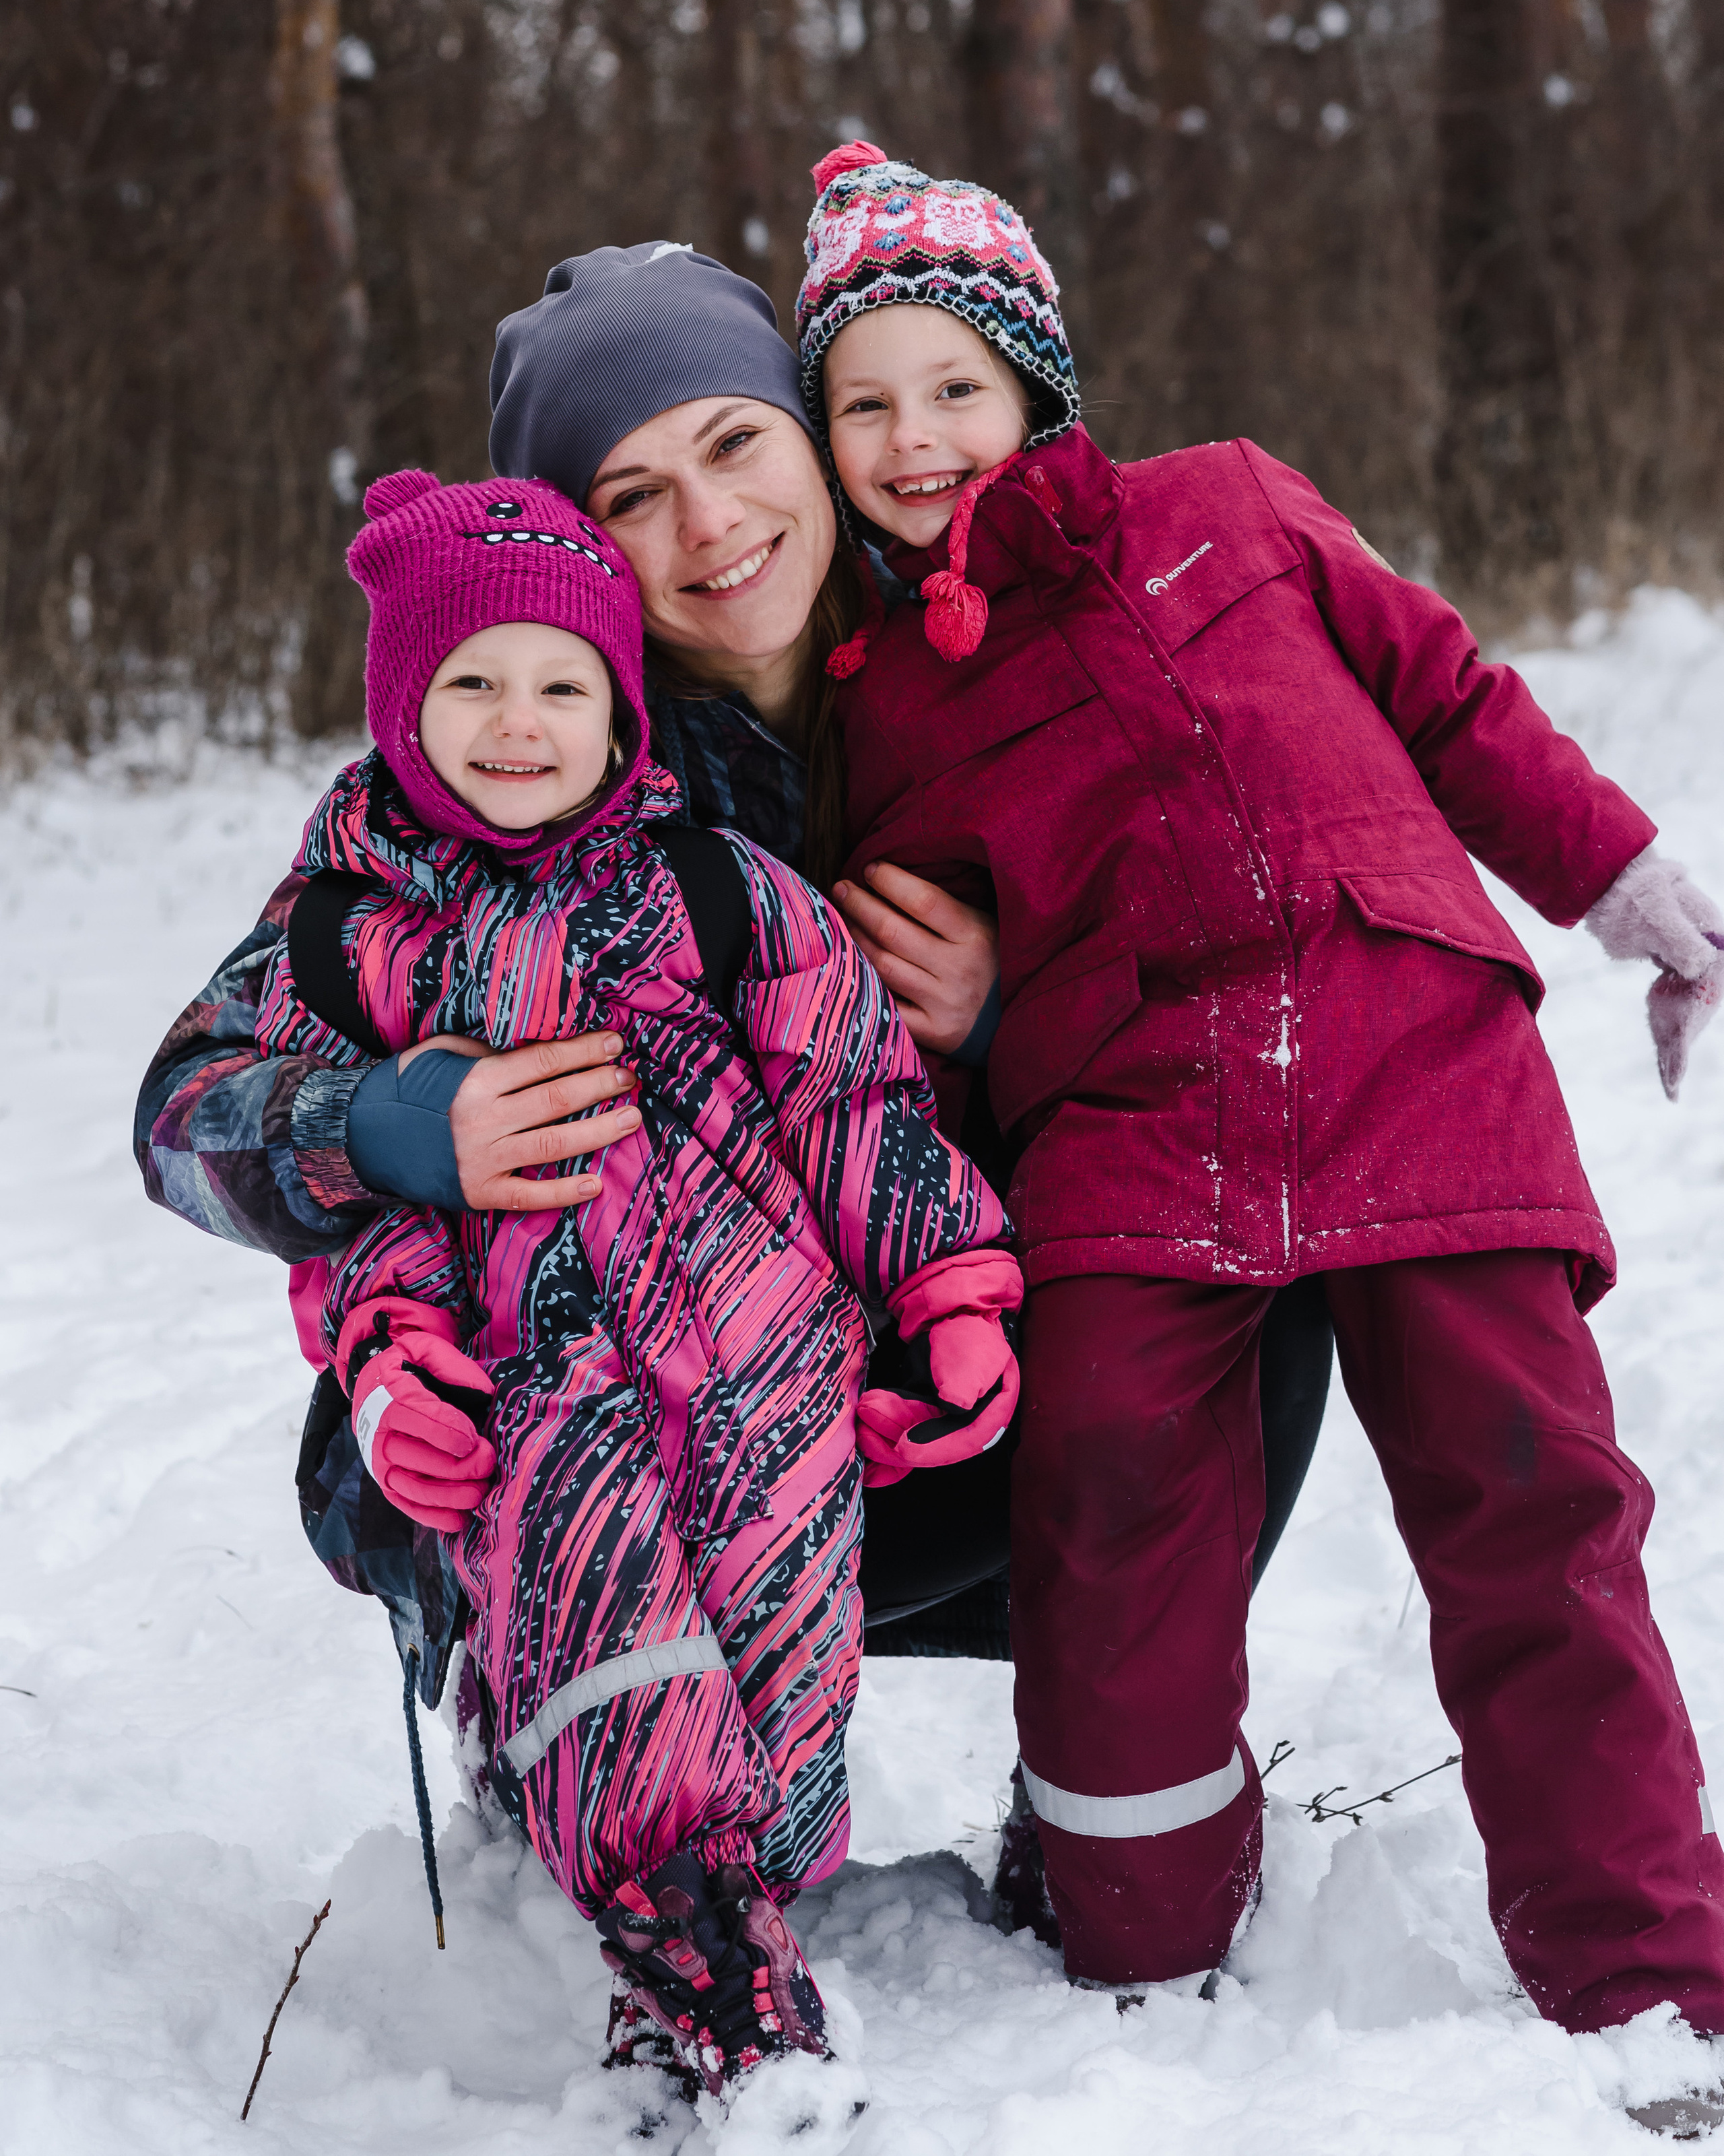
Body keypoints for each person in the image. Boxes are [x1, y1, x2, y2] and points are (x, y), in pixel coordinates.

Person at [796, 139, 1724, 2060]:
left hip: (1415, 1055)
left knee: (1534, 1504)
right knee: (1112, 1504)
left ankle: (1646, 1974)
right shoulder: (882, 706)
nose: (916, 437)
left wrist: (1627, 888)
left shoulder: (1230, 507)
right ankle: (1135, 1946)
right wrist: (974, 1031)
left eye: (954, 385)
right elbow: (910, 980)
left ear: (1036, 384)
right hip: (1136, 1130)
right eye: (863, 403)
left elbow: (1453, 697)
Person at [135, 244, 1335, 1676]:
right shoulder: (516, 761)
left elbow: (1239, 1008)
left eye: (733, 442)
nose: (709, 522)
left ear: (812, 444)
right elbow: (180, 1114)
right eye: (630, 496)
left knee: (1251, 1258)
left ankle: (1107, 1787)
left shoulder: (992, 666)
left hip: (905, 1374)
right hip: (606, 1418)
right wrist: (394, 1126)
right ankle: (578, 1753)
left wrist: (1017, 1012)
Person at [252, 461, 1020, 2105]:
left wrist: (949, 1284)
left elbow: (851, 1096)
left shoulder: (717, 896)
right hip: (528, 1374)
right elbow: (328, 1194)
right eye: (469, 682)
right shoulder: (345, 939)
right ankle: (728, 2009)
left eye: (562, 685)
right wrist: (385, 1357)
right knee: (607, 1639)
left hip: (768, 1359)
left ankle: (704, 1919)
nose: (516, 723)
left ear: (619, 709)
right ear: (400, 703)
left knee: (776, 1669)